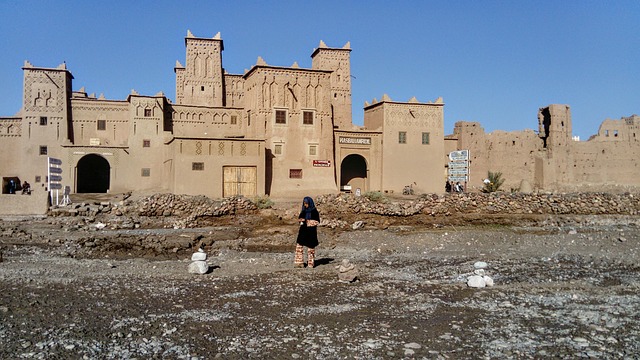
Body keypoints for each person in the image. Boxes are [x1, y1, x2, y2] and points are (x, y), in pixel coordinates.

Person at [295, 196, 320, 268]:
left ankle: (310, 263)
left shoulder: (314, 211)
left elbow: (317, 221)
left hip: (311, 232)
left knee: (311, 248)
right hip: (303, 231)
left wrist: (306, 221)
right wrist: (300, 220)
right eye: (304, 203)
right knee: (299, 246)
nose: (305, 205)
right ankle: (299, 263)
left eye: (306, 203)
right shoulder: (303, 211)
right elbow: (300, 218)